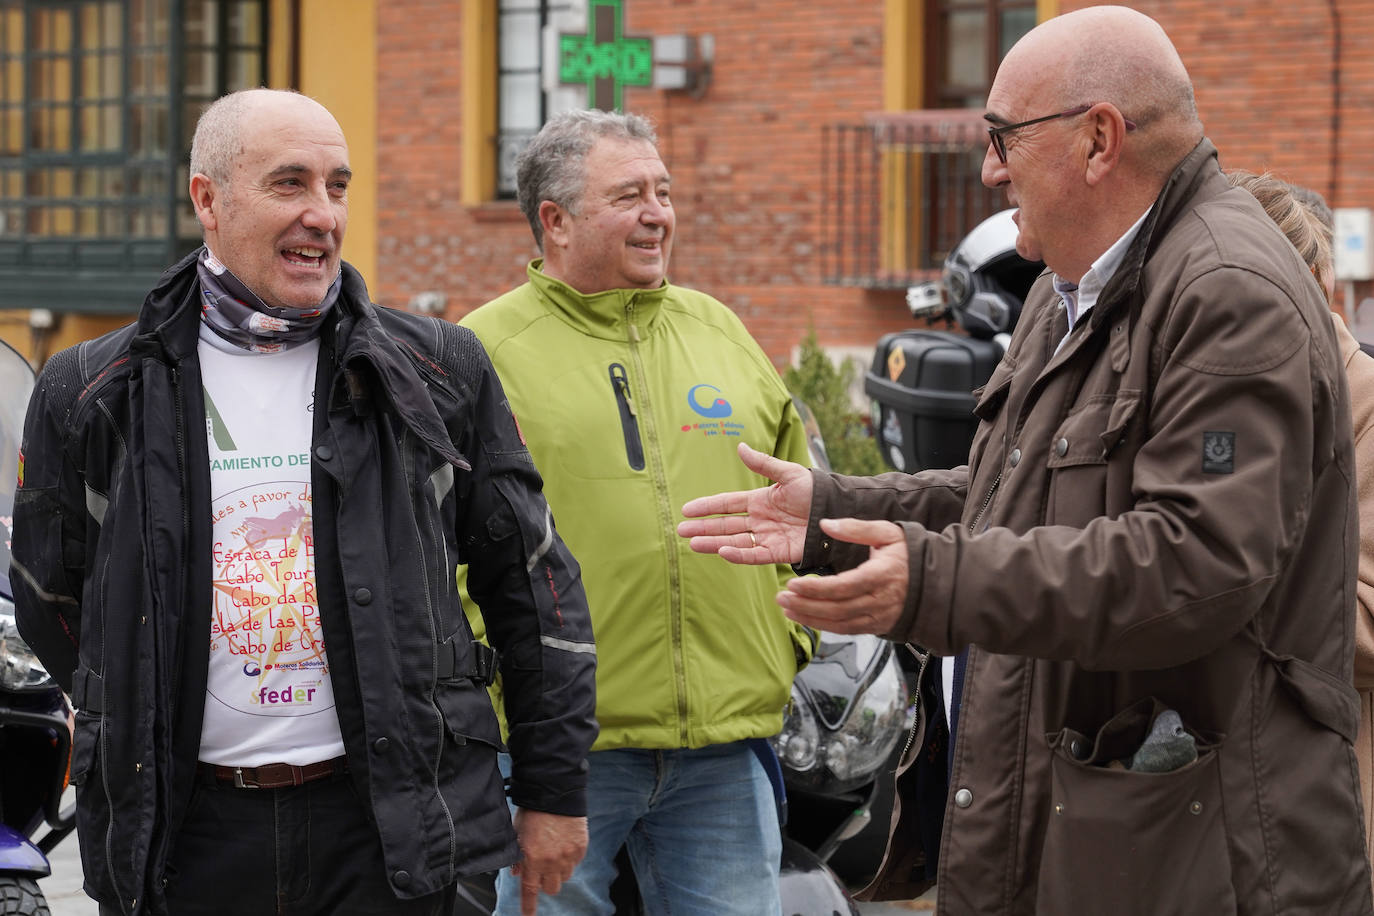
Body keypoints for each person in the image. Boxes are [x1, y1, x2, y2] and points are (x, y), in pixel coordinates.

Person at [680, 6, 1373, 913]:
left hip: (1196, 858)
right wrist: (835, 512)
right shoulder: (1068, 287)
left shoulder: (1226, 292)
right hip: (1087, 838)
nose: (988, 167)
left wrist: (933, 582)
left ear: (1099, 139)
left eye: (1004, 134)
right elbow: (1016, 494)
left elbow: (1197, 563)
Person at [9, 88, 596, 916]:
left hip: (394, 832)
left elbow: (535, 590)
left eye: (338, 185)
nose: (323, 214)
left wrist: (554, 790)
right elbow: (50, 598)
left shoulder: (436, 371)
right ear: (207, 200)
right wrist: (146, 700)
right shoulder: (95, 388)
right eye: (290, 184)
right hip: (187, 837)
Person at [457, 108, 815, 916]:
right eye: (630, 195)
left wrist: (790, 636)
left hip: (726, 750)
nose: (659, 213)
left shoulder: (719, 330)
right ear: (555, 221)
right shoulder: (480, 353)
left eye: (663, 190)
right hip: (561, 762)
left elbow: (802, 495)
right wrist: (500, 691)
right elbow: (433, 549)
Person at [1228, 168, 1374, 896]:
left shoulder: (1368, 408)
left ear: (1312, 285)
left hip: (1323, 795)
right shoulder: (1211, 399)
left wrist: (1209, 576)